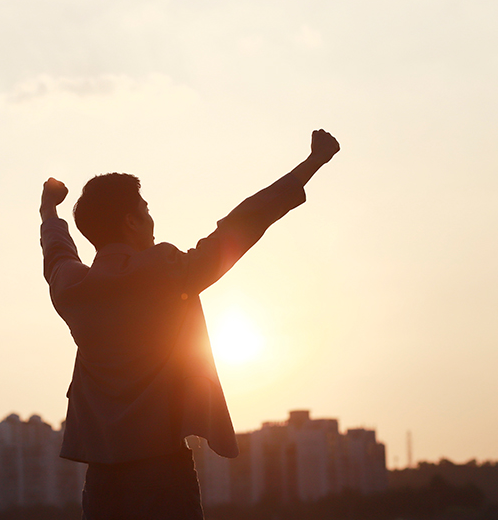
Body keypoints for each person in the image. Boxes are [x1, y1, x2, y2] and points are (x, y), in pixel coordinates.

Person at [40, 129, 340, 519]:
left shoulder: (71, 286)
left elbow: (56, 248)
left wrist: (49, 210)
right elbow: (243, 225)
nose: (151, 220)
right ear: (131, 220)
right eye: (146, 211)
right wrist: (312, 163)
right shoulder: (167, 271)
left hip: (101, 481)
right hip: (162, 473)